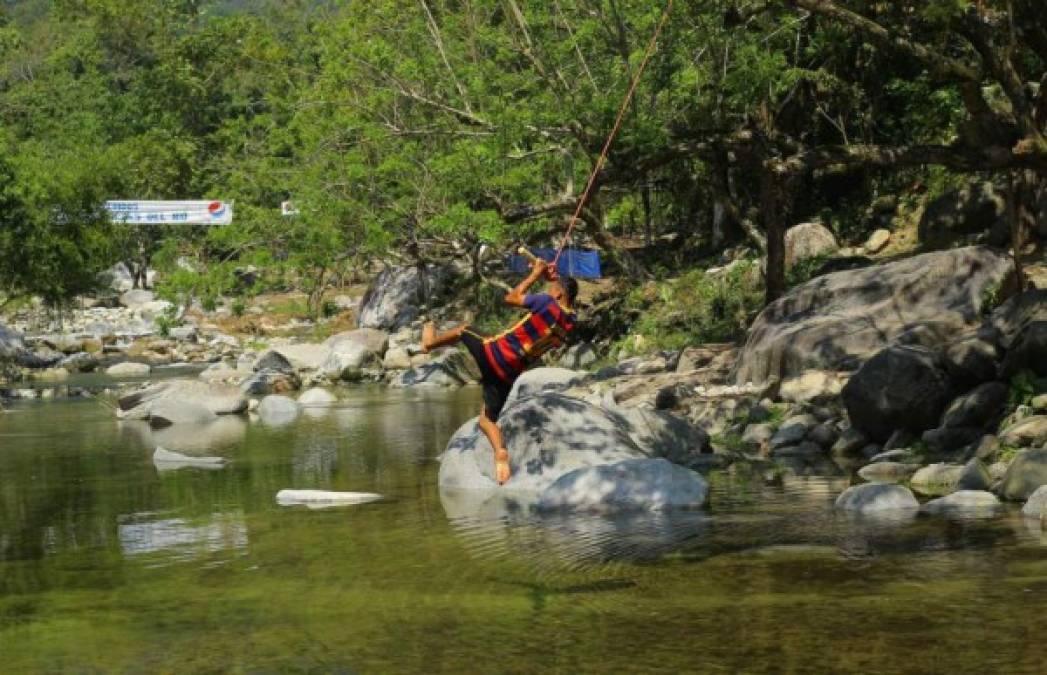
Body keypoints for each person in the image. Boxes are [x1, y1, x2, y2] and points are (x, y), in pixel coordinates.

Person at [421, 257, 578, 485]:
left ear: (556, 294)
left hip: (494, 353)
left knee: (463, 330)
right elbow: (561, 299)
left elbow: (511, 298)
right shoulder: (570, 321)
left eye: (551, 288)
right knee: (487, 418)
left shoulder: (547, 302)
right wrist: (550, 278)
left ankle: (428, 344)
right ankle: (499, 452)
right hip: (508, 373)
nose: (547, 289)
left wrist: (535, 274)